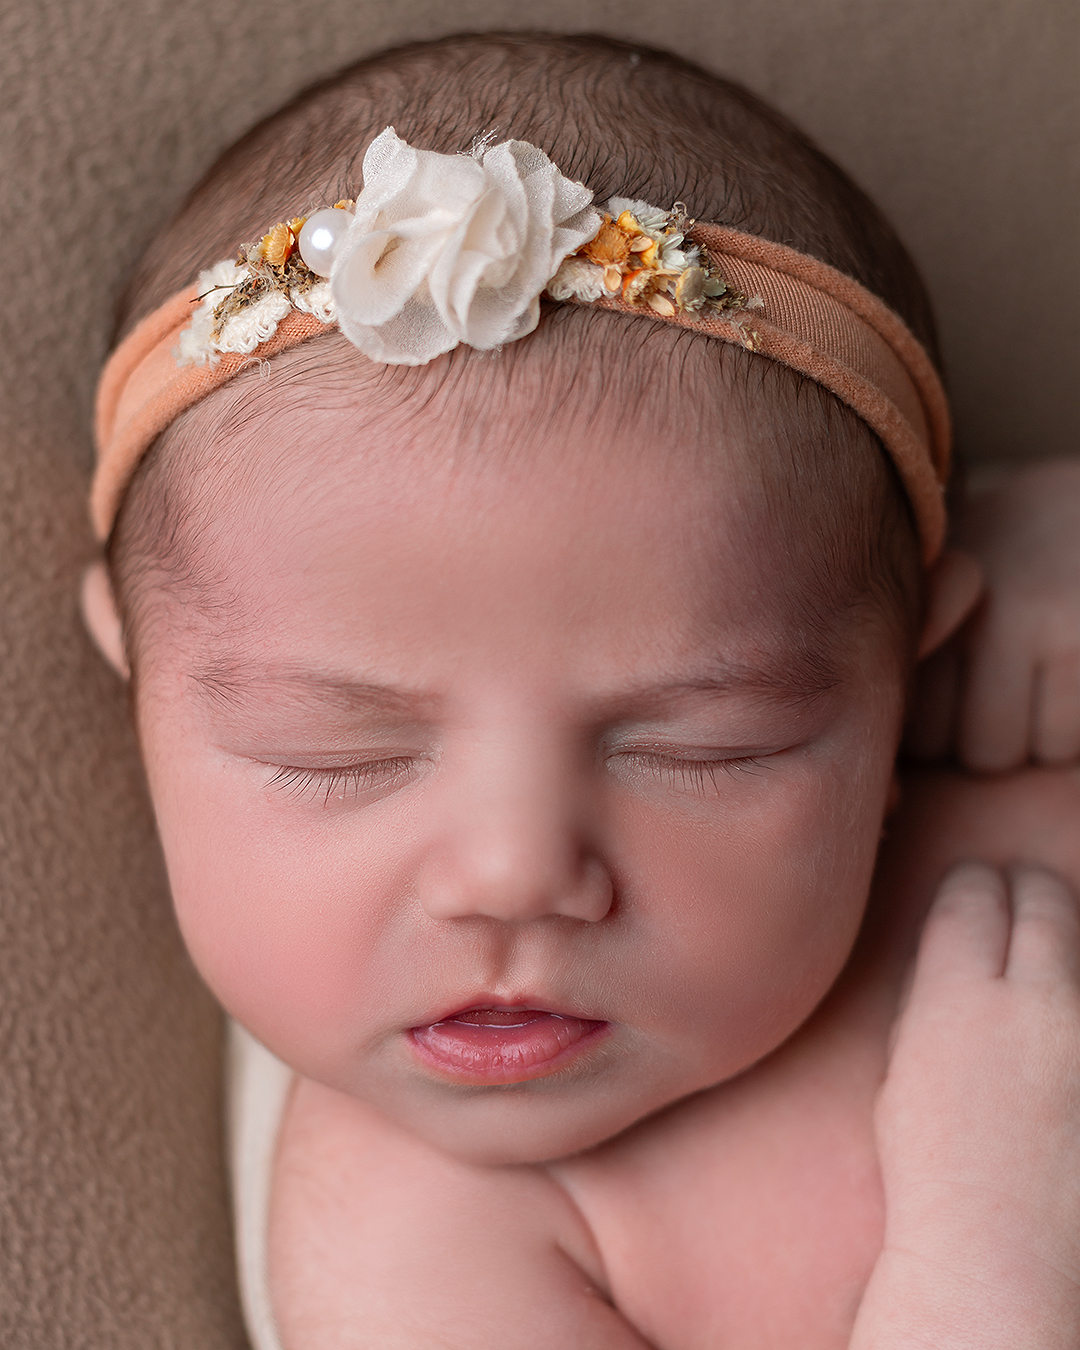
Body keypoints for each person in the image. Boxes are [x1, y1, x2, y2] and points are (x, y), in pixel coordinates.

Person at [79, 32, 1080, 1349]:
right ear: (136, 672)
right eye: (335, 750)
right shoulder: (411, 1243)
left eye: (707, 744)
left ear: (907, 668)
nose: (515, 871)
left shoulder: (964, 735)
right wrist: (990, 1254)